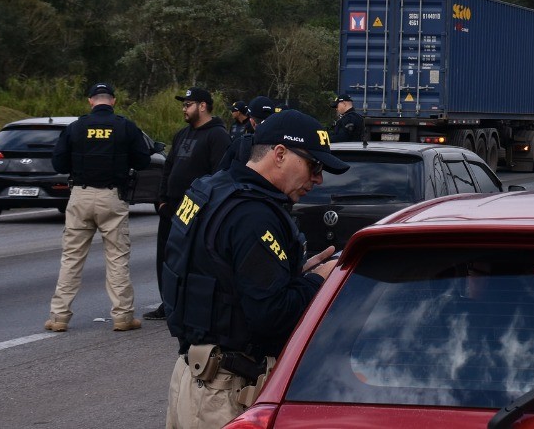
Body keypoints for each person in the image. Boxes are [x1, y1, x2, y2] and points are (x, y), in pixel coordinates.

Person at [163, 109, 349, 429]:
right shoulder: (254, 215)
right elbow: (271, 315)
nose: (318, 178)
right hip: (223, 391)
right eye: (313, 165)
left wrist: (291, 275)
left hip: (190, 376)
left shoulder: (212, 189)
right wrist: (318, 281)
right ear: (279, 154)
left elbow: (220, 274)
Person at [45, 82, 153, 333]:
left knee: (71, 259)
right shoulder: (125, 126)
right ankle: (123, 317)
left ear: (91, 101)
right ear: (113, 101)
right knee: (116, 259)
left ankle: (59, 317)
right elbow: (143, 160)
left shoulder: (76, 127)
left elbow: (58, 163)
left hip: (80, 197)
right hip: (112, 198)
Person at [145, 87, 231, 321]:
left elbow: (219, 176)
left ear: (202, 106)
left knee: (191, 260)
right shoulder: (182, 134)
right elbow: (169, 168)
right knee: (165, 257)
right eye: (184, 105)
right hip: (170, 207)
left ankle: (188, 305)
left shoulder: (217, 136)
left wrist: (203, 209)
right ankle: (168, 303)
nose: (184, 109)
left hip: (194, 208)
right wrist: (161, 200)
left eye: (188, 104)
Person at [219, 95, 275, 171]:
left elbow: (221, 172)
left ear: (252, 122)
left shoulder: (240, 143)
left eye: (233, 111)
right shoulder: (287, 144)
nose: (231, 113)